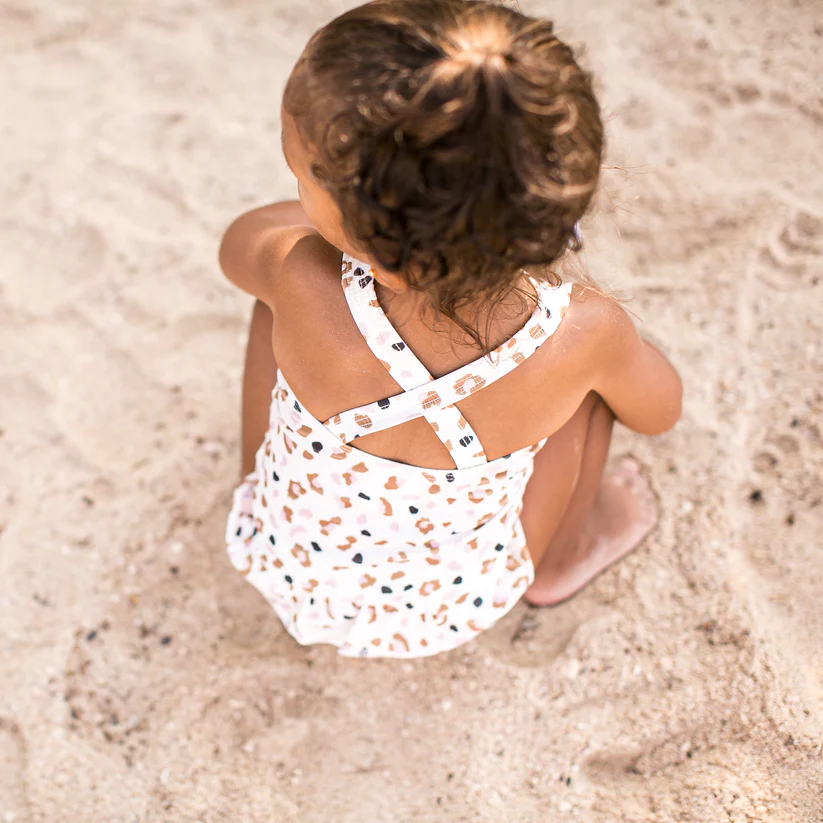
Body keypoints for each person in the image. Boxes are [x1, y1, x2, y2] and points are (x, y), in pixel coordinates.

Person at [219, 0, 682, 658]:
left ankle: (257, 483)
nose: (298, 186)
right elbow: (660, 410)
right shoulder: (581, 330)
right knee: (590, 396)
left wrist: (323, 232)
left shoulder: (304, 278)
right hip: (454, 604)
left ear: (379, 243)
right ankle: (559, 557)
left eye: (307, 176)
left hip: (287, 559)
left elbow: (237, 244)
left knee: (270, 302)